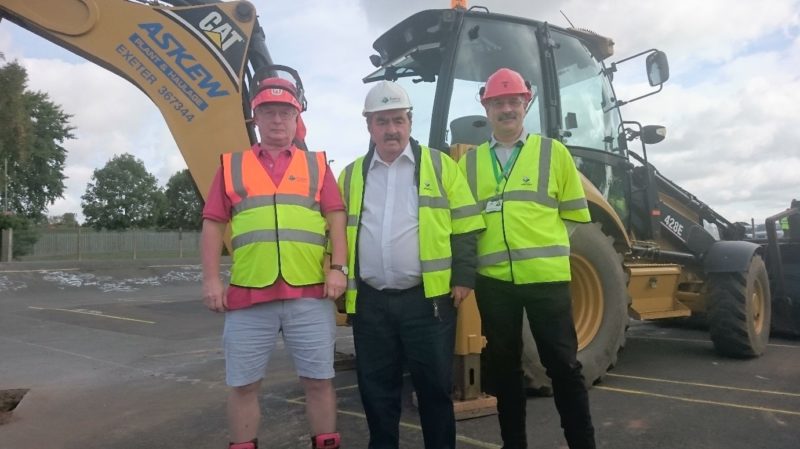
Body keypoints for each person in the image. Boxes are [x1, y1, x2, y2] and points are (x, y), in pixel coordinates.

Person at [337, 80, 485, 449]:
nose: (391, 129)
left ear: (410, 122)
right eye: (382, 121)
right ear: (368, 125)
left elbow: (466, 226)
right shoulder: (352, 175)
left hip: (428, 302)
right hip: (371, 303)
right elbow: (336, 234)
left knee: (434, 391)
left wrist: (464, 277)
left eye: (398, 120)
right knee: (376, 391)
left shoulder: (441, 166)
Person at [201, 76, 347, 449]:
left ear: (297, 118)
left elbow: (336, 218)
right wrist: (212, 281)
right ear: (256, 118)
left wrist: (338, 268)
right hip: (249, 295)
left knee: (318, 381)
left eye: (285, 112)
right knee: (244, 384)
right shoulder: (232, 166)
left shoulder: (317, 165)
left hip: (309, 294)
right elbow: (213, 225)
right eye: (269, 112)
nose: (277, 120)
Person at [457, 68, 596, 449]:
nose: (506, 109)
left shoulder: (554, 153)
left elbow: (572, 216)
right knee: (503, 371)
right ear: (486, 108)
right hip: (494, 283)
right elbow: (463, 225)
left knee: (564, 368)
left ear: (526, 103)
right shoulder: (468, 165)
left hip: (546, 281)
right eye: (498, 102)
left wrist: (546, 250)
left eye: (513, 101)